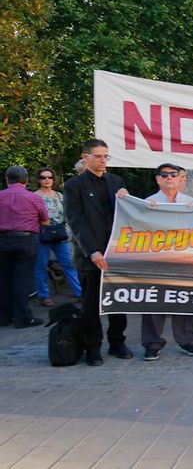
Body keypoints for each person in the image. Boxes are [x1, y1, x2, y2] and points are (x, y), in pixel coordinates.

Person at [64, 139, 131, 365]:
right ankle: (93, 347)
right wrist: (92, 251)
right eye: (98, 156)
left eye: (106, 156)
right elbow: (76, 220)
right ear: (86, 157)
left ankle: (117, 343)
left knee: (118, 302)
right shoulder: (74, 185)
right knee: (91, 305)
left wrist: (126, 197)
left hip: (116, 254)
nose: (103, 161)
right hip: (90, 256)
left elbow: (127, 214)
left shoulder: (116, 181)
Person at [141, 163, 193, 360]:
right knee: (153, 302)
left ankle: (188, 342)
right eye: (164, 175)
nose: (169, 178)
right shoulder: (148, 202)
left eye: (173, 174)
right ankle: (152, 344)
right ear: (157, 179)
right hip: (157, 260)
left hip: (183, 260)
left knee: (184, 300)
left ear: (179, 178)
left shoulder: (190, 202)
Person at [0, 166, 48, 329]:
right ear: (26, 180)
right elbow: (45, 221)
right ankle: (22, 317)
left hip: (2, 240)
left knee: (4, 278)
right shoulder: (34, 198)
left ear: (7, 179)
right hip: (26, 240)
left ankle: (4, 317)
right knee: (22, 279)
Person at [32, 167, 82, 308]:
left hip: (60, 234)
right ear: (38, 180)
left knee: (69, 264)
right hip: (42, 233)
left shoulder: (60, 196)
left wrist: (69, 232)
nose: (47, 180)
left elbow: (67, 214)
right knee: (41, 265)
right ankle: (44, 296)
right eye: (43, 177)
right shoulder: (35, 196)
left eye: (50, 177)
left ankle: (79, 293)